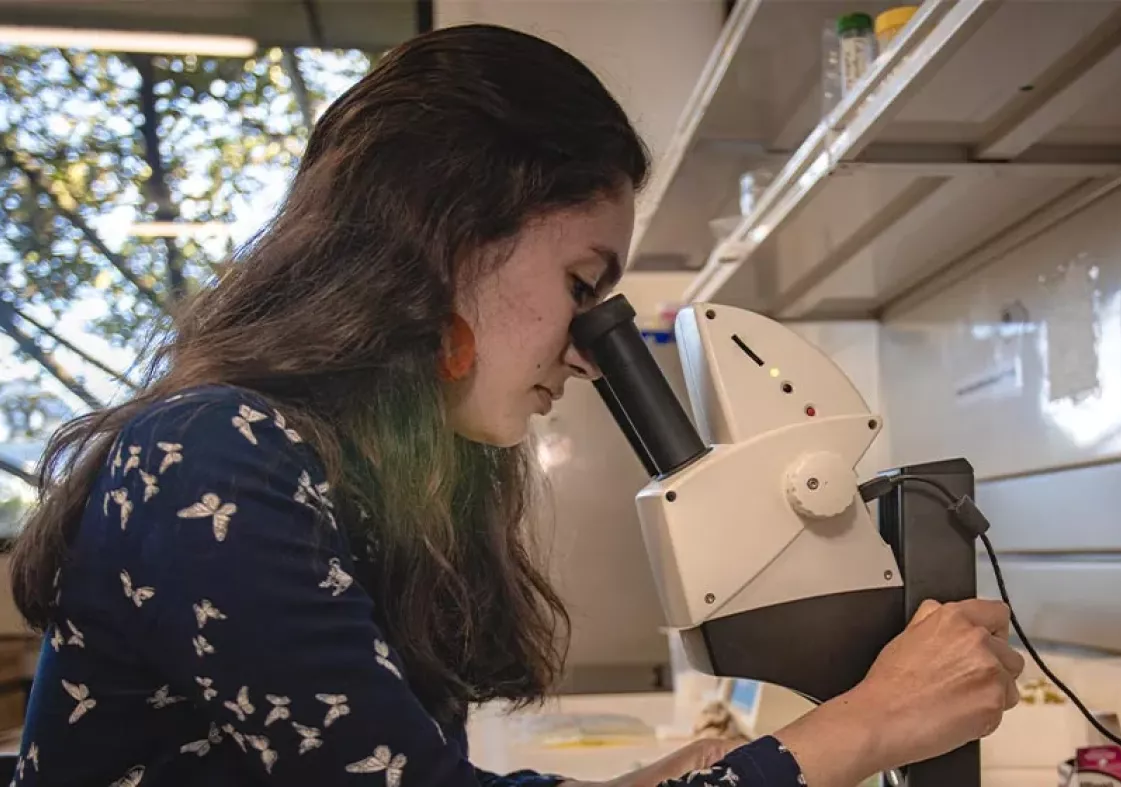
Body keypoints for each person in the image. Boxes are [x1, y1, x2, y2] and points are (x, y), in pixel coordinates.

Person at [7, 23, 1024, 787]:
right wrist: (865, 727)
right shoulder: (213, 456)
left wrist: (707, 766)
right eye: (583, 286)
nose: (588, 356)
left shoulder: (365, 483)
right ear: (451, 232)